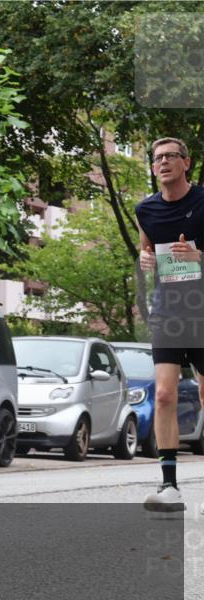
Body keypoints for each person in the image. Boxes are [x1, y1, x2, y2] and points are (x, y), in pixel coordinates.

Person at [136, 137, 204, 513]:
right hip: (168, 312)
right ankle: (169, 486)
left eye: (170, 156)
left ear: (186, 163)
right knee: (164, 395)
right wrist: (145, 260)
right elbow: (146, 250)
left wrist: (199, 257)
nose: (163, 162)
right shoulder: (144, 209)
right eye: (157, 158)